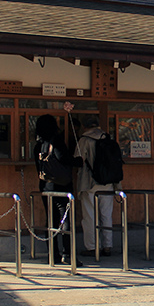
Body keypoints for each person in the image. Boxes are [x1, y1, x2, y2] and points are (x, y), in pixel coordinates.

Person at [34, 114, 83, 267]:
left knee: (51, 221)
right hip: (61, 186)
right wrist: (78, 161)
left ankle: (53, 255)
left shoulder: (38, 145)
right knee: (65, 220)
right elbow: (64, 159)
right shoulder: (56, 141)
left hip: (45, 186)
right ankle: (67, 254)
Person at [75, 115, 120, 257]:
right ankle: (107, 246)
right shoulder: (107, 139)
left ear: (84, 126)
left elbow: (78, 159)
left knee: (89, 216)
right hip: (108, 183)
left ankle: (93, 247)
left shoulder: (84, 140)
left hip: (90, 182)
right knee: (106, 215)